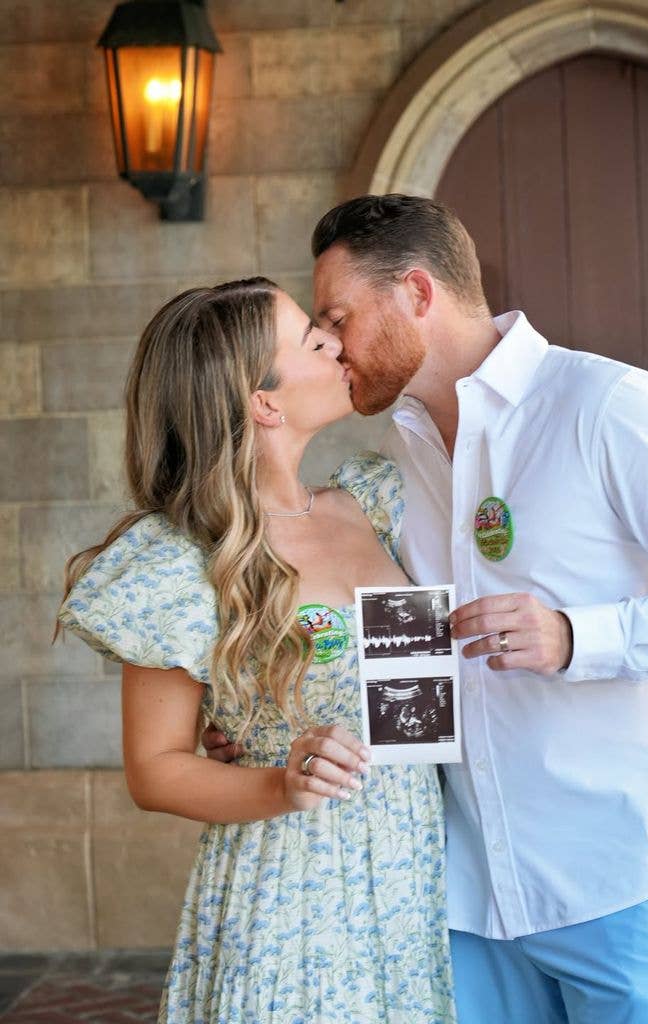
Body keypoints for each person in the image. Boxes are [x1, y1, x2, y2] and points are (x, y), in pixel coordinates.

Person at [207, 194, 648, 1023]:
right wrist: (261, 722)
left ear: (419, 295)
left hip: (622, 876)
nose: (328, 343)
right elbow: (389, 659)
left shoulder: (608, 405)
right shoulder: (391, 459)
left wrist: (578, 634)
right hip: (466, 900)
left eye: (339, 316)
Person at [57, 277, 457, 1024]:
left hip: (417, 879)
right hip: (290, 895)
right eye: (312, 340)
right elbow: (155, 770)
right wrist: (283, 783)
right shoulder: (181, 561)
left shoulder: (375, 501)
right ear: (263, 403)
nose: (336, 341)